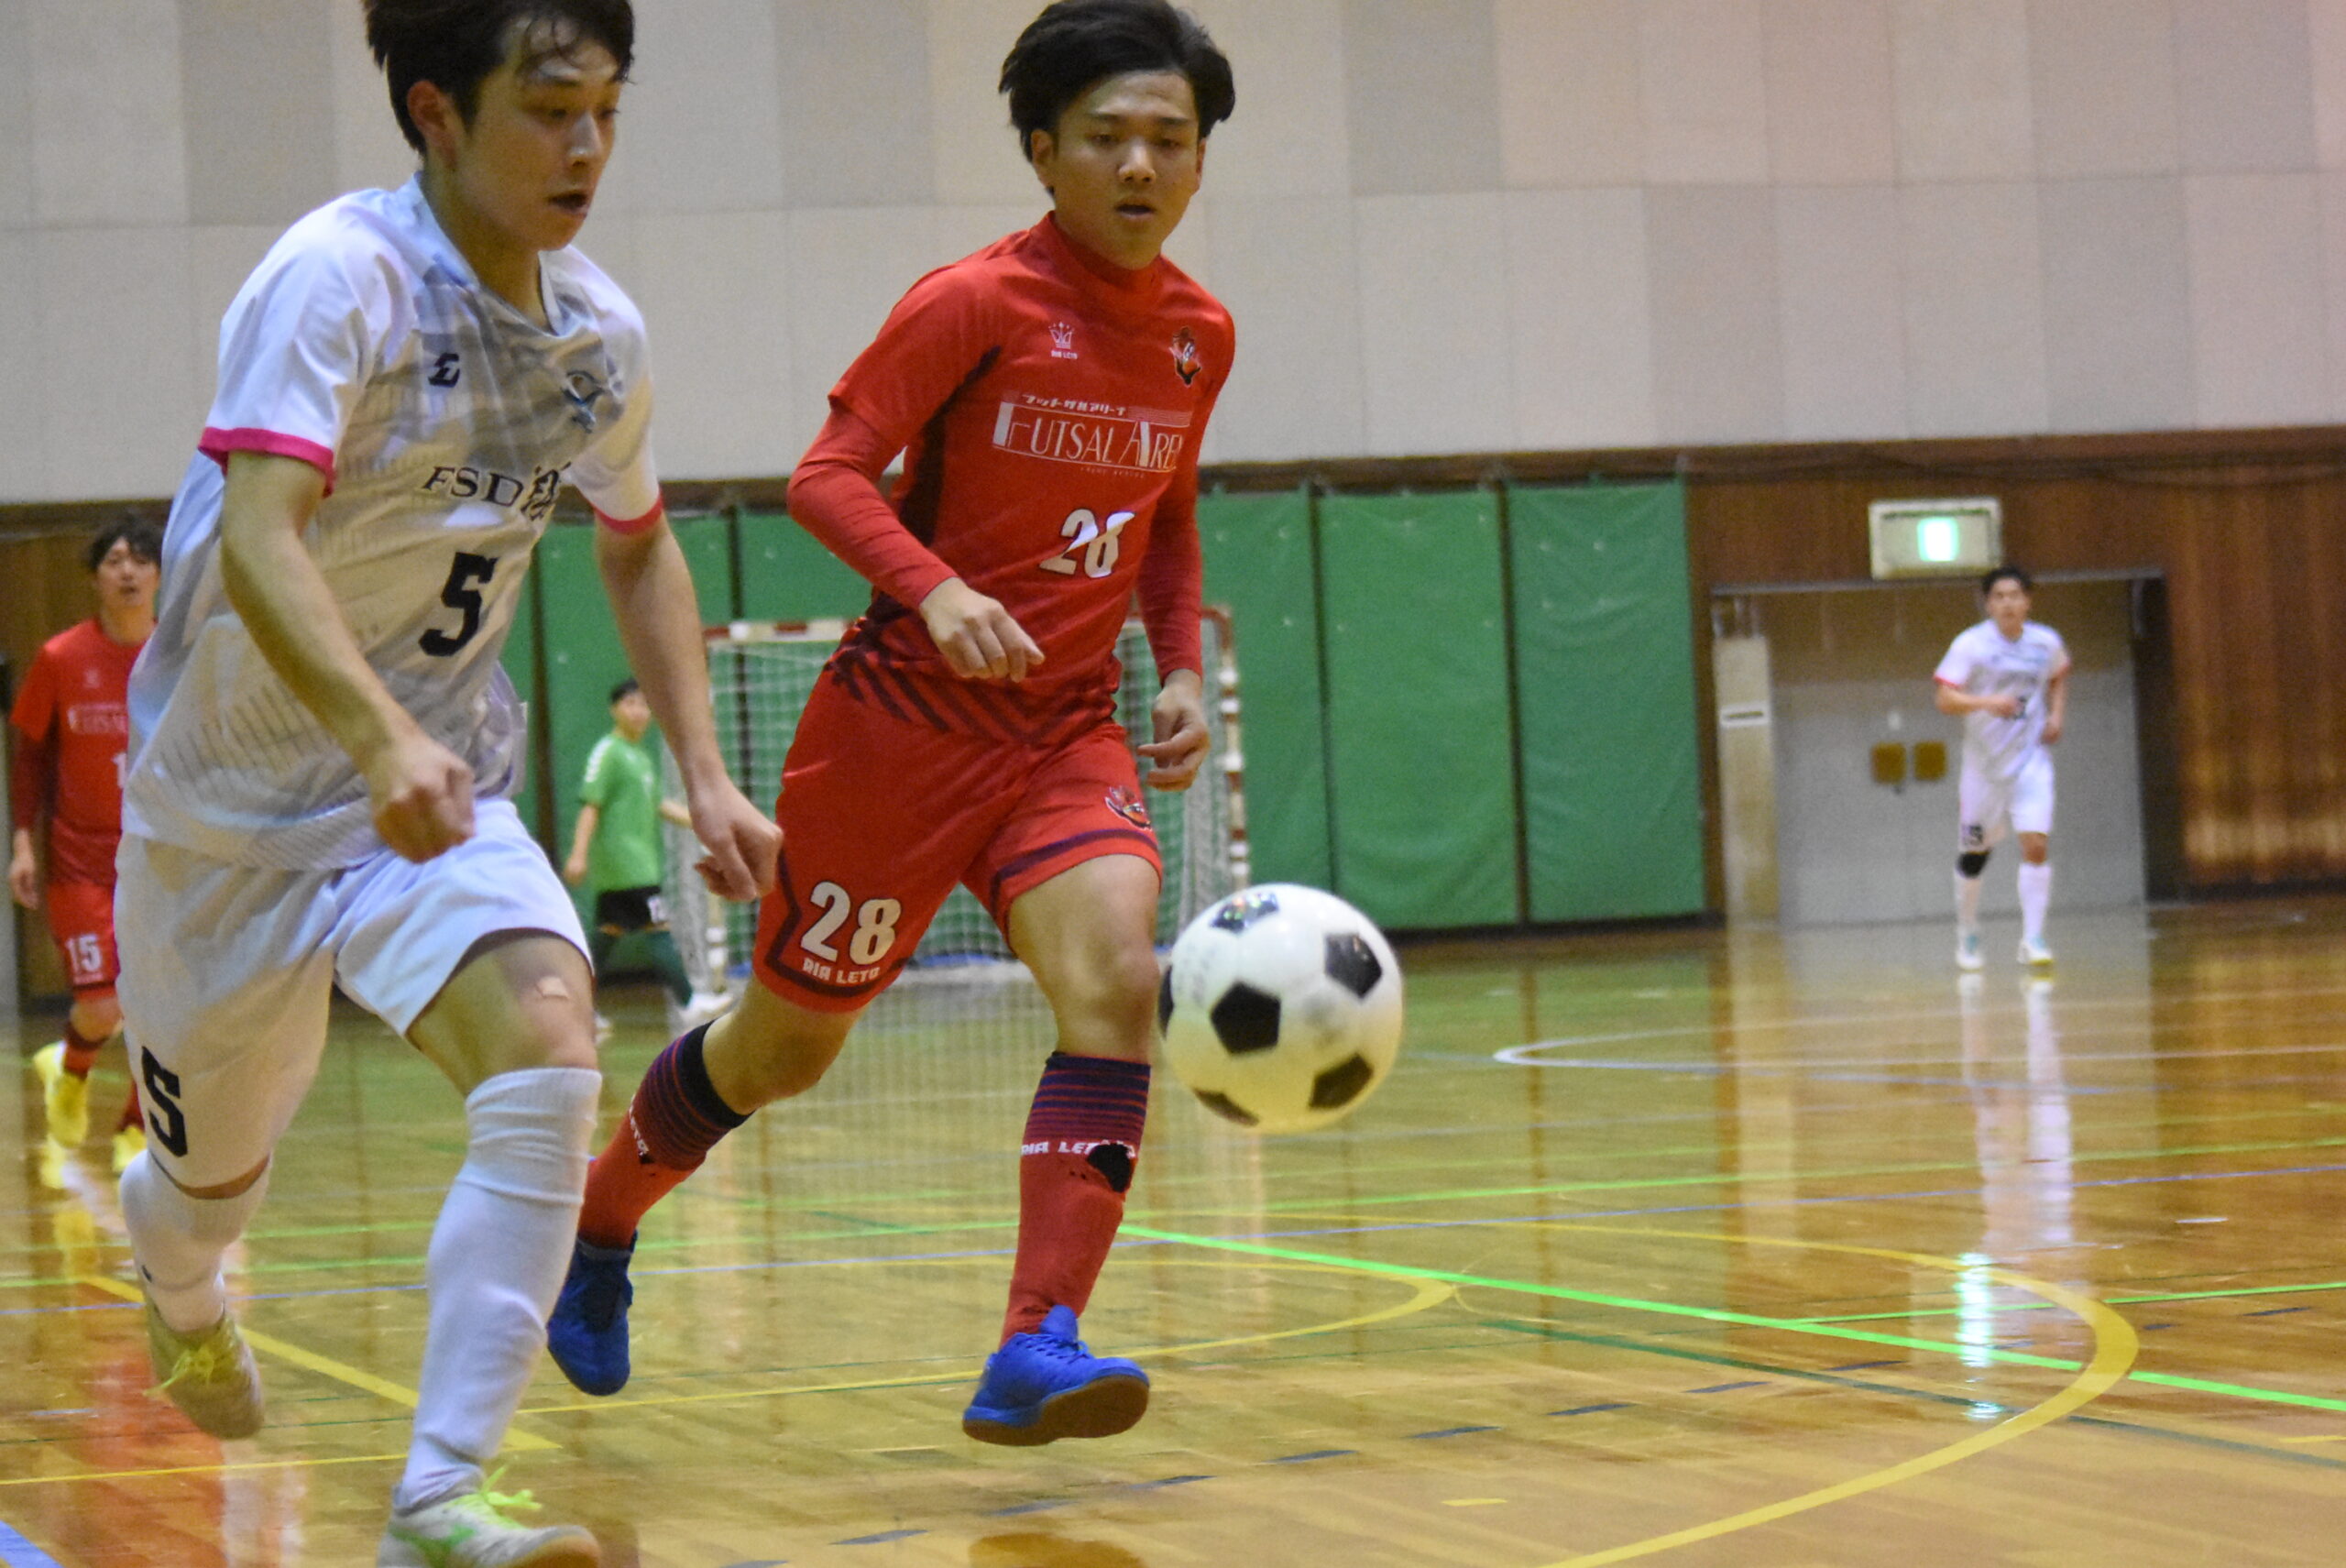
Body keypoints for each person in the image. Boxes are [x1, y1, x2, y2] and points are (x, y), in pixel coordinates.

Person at [113, 4, 776, 1563]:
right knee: (203, 1194)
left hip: (434, 794)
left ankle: (439, 1494)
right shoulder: (338, 277)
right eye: (549, 108)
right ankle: (184, 1290)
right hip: (224, 815)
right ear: (436, 112)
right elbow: (263, 533)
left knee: (549, 1041)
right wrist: (372, 736)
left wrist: (706, 769)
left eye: (607, 109)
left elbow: (638, 543)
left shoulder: (598, 336)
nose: (587, 146)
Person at [547, 0, 1235, 1450]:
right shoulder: (972, 303)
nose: (1141, 165)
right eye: (1108, 137)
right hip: (898, 737)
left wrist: (1175, 664)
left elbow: (1165, 521)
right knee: (781, 1051)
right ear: (1042, 151)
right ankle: (600, 1221)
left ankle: (1034, 1342)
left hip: (1065, 734)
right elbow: (827, 475)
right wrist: (935, 588)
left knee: (1117, 980)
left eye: (1171, 140)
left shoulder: (1198, 334)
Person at [10, 519, 159, 1179]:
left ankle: (135, 1126)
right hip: (81, 862)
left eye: (141, 560)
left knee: (161, 1004)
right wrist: (22, 842)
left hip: (159, 860)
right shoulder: (60, 657)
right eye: (114, 560)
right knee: (103, 1004)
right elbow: (30, 758)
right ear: (95, 577)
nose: (128, 571)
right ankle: (68, 1067)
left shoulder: (175, 658)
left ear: (159, 575)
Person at [562, 676, 728, 1035]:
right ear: (614, 710)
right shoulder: (608, 752)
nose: (638, 711)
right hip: (625, 865)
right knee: (659, 928)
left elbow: (659, 805)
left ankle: (577, 1009)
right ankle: (690, 1003)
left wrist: (701, 823)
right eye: (630, 704)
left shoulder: (639, 756)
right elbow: (591, 805)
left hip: (635, 866)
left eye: (644, 704)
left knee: (606, 936)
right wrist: (578, 853)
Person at [1935, 566, 2069, 970]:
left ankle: (2033, 938)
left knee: (2036, 843)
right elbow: (1945, 698)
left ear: (2028, 600)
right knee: (1975, 853)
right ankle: (1968, 930)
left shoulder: (2045, 642)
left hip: (2030, 763)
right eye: (1999, 596)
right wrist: (1987, 703)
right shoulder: (1970, 645)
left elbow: (2059, 674)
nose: (2008, 603)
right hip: (1984, 769)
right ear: (1988, 604)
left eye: (2015, 595)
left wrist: (2056, 715)